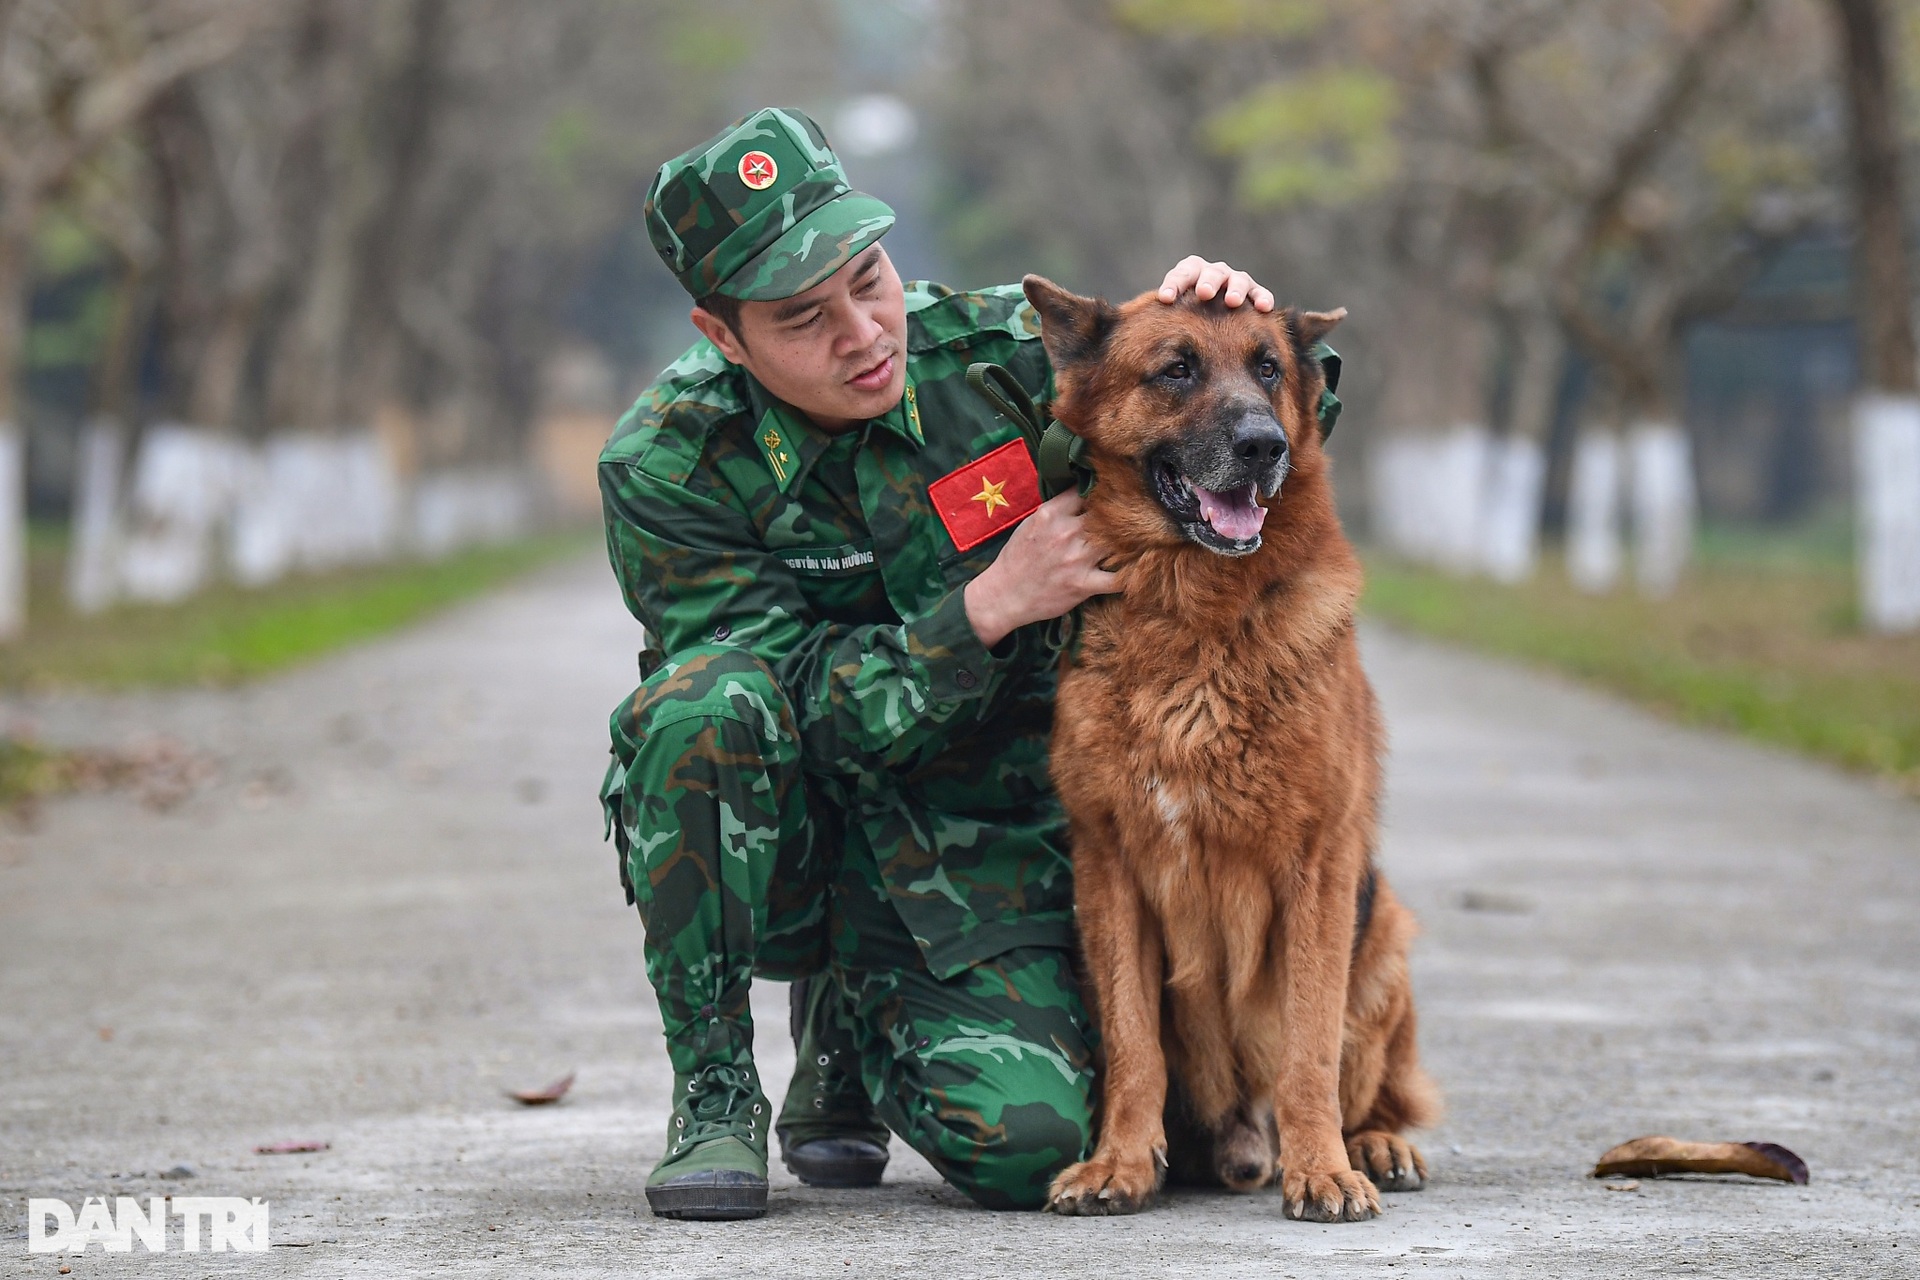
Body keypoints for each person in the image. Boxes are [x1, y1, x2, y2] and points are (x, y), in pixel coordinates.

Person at [599, 106, 1282, 1221]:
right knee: (698, 710)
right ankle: (719, 1091)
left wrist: (1222, 337)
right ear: (725, 337)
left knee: (1035, 1150)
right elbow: (797, 704)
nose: (863, 333)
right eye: (801, 318)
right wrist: (983, 609)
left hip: (983, 846)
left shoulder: (1002, 363)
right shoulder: (672, 461)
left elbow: (1273, 412)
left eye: (868, 280)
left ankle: (858, 1037)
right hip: (801, 840)